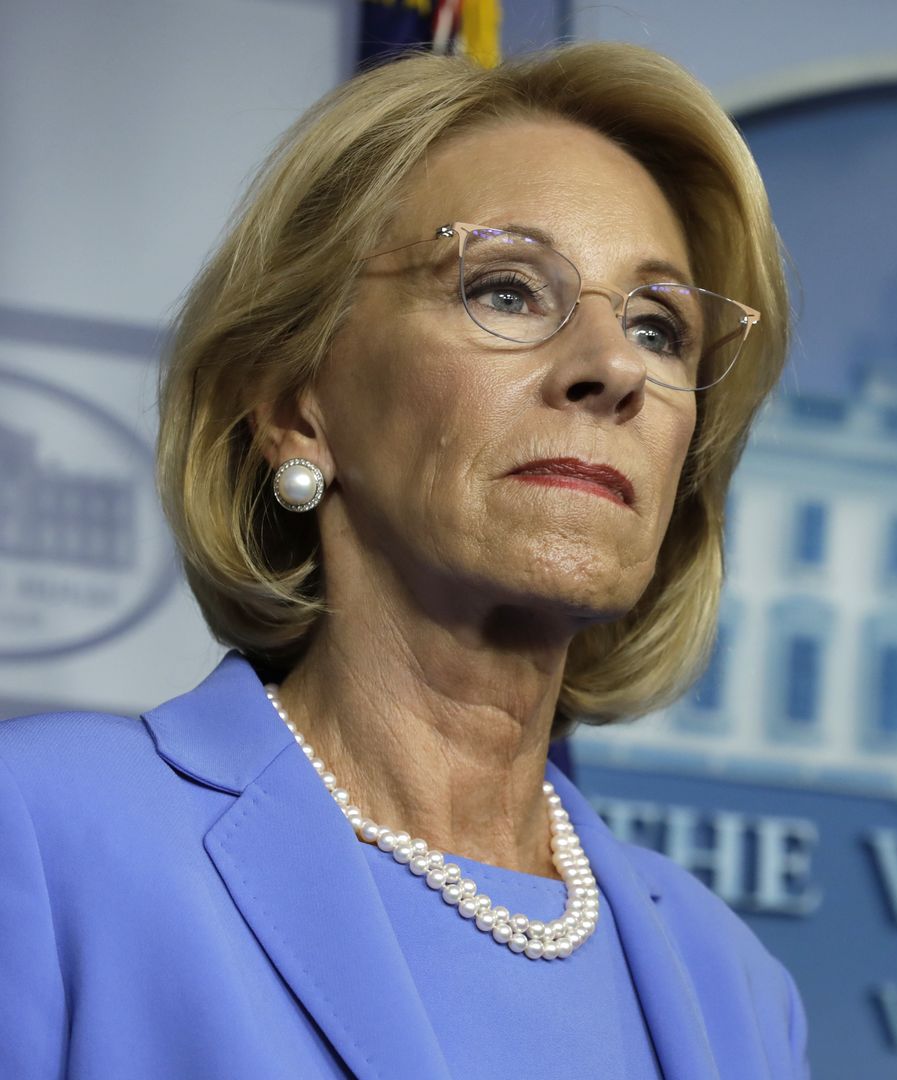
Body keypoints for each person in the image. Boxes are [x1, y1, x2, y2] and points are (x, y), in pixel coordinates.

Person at [0, 42, 805, 1079]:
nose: (613, 371)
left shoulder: (736, 991)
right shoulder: (46, 835)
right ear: (296, 406)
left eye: (660, 328)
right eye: (508, 290)